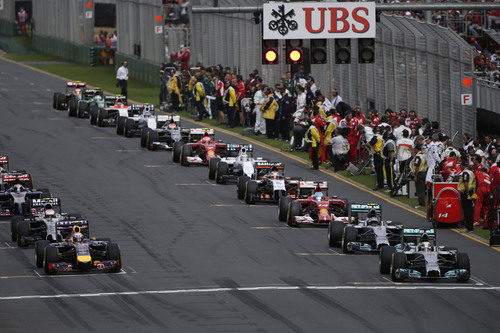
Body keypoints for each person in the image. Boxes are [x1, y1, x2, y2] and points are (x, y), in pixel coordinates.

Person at [458, 167, 476, 232]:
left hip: (466, 193)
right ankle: (470, 227)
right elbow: (474, 184)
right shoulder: (472, 173)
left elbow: (466, 183)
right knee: (470, 210)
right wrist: (473, 193)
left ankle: (467, 227)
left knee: (466, 210)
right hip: (471, 192)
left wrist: (467, 194)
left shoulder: (465, 173)